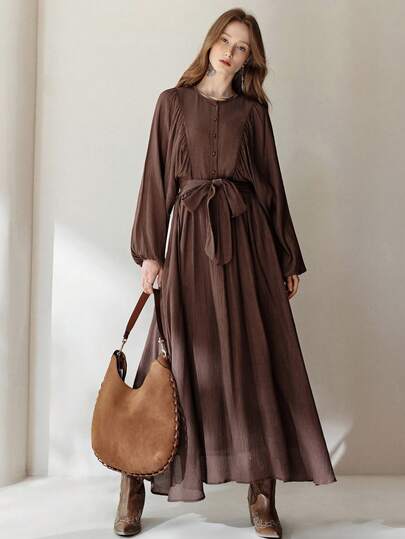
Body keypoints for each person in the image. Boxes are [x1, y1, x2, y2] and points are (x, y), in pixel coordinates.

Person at [114, 8, 337, 538]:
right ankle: (133, 481)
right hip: (189, 243)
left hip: (248, 244)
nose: (230, 53)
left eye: (242, 48)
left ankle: (262, 495)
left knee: (256, 358)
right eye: (226, 41)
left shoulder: (253, 114)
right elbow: (155, 178)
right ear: (211, 42)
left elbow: (272, 187)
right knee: (170, 359)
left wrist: (286, 256)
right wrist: (150, 254)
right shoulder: (172, 103)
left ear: (249, 59)